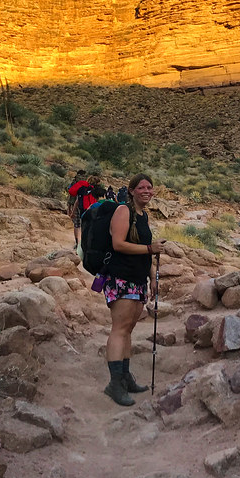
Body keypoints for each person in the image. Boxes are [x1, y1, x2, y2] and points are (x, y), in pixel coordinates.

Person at [101, 173, 165, 406]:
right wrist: (150, 248)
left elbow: (146, 251)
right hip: (120, 278)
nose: (147, 190)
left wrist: (152, 277)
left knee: (128, 329)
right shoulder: (123, 211)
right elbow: (118, 244)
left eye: (150, 187)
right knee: (119, 329)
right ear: (131, 190)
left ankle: (125, 378)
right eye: (141, 187)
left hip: (137, 280)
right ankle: (114, 384)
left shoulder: (142, 215)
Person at [66, 170, 89, 247]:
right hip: (84, 204)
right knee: (84, 224)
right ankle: (83, 242)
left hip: (74, 204)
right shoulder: (86, 182)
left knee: (76, 224)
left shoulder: (74, 182)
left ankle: (77, 242)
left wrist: (69, 207)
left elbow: (70, 192)